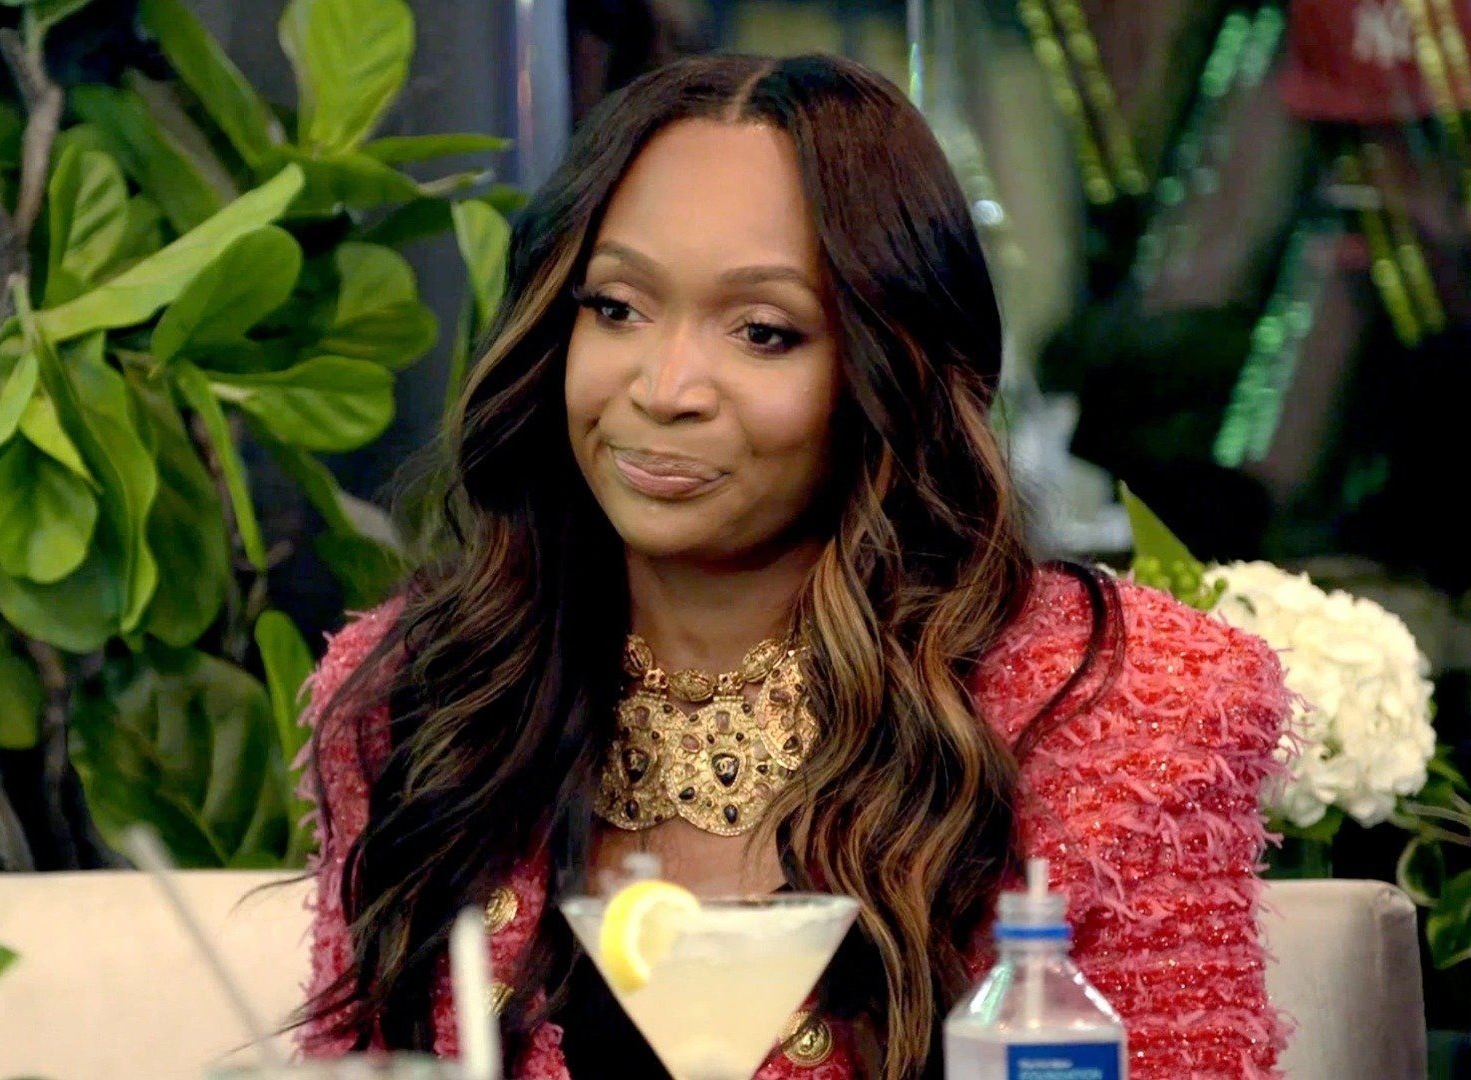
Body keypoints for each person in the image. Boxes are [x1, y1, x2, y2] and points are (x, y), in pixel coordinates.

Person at [295, 52, 1289, 1079]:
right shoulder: (427, 697)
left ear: (886, 367)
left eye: (764, 332)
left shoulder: (1119, 711)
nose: (665, 388)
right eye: (617, 307)